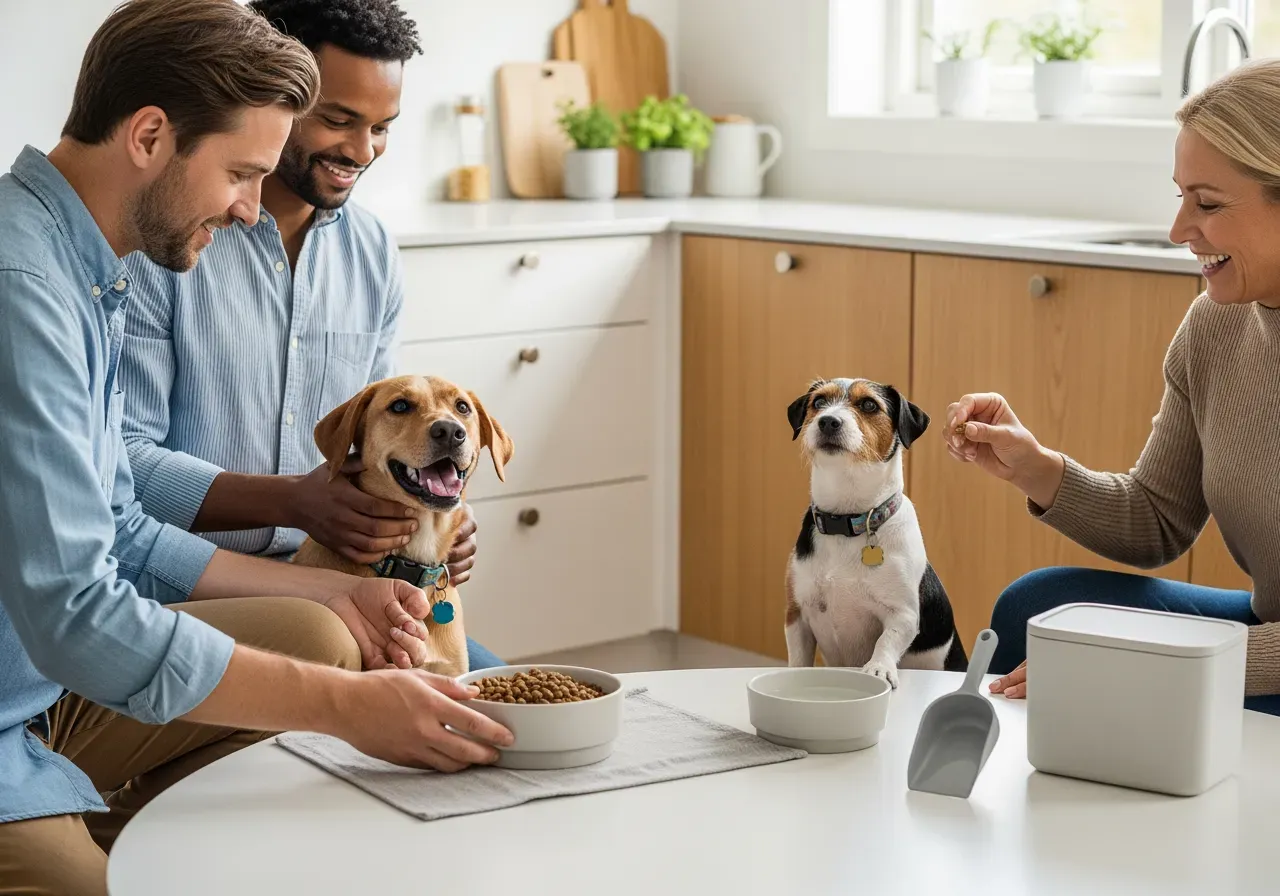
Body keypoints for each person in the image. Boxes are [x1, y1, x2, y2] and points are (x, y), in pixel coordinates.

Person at [0, 2, 511, 893]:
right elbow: (80, 610)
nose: (246, 208)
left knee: (385, 671)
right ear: (151, 135)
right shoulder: (32, 288)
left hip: (52, 674)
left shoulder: (90, 269)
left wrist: (347, 584)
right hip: (28, 698)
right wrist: (344, 705)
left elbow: (115, 524)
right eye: (241, 172)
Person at [116, 0, 504, 670]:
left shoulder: (372, 251)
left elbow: (379, 443)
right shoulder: (163, 242)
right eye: (338, 120)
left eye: (382, 127)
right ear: (273, 95)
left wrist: (435, 510)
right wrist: (293, 503)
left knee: (503, 702)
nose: (362, 151)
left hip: (351, 587)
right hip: (187, 594)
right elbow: (116, 462)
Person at [946, 58, 1280, 717]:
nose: (1179, 229)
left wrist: (1146, 665)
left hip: (1261, 660)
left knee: (1105, 677)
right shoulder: (1216, 326)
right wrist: (1037, 469)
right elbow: (1159, 517)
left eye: (1207, 203)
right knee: (1035, 609)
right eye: (1181, 194)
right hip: (1264, 639)